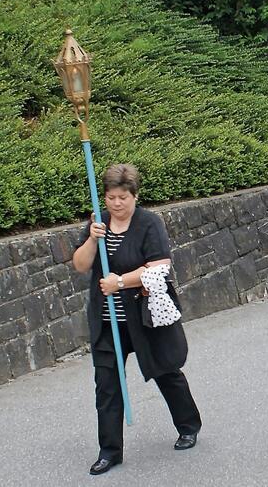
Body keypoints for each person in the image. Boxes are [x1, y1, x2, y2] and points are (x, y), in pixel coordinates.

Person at [71, 164, 201, 476]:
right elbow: (80, 265)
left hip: (143, 315)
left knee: (165, 370)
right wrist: (91, 239)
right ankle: (110, 451)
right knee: (107, 386)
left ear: (134, 195)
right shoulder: (98, 223)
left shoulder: (148, 224)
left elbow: (159, 267)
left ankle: (188, 426)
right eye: (111, 197)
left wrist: (121, 281)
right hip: (107, 321)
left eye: (123, 197)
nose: (116, 203)